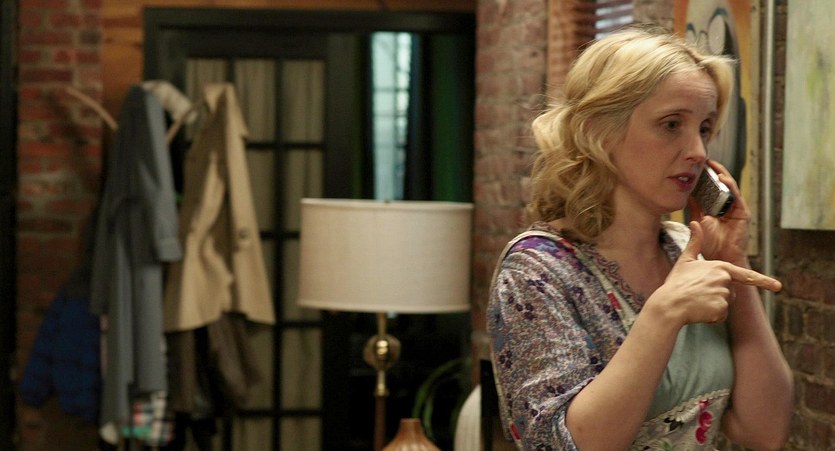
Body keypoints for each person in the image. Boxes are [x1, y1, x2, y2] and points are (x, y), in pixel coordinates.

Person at [487, 26, 793, 450]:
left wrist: (731, 257)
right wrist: (663, 314)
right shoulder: (537, 269)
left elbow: (765, 432)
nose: (698, 151)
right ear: (600, 131)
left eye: (704, 128)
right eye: (672, 124)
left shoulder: (687, 252)